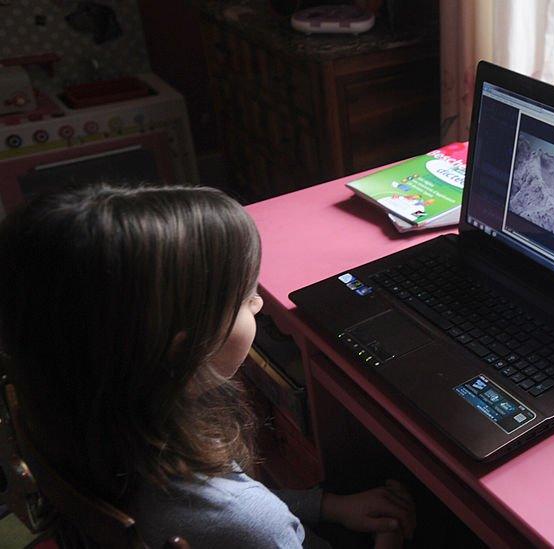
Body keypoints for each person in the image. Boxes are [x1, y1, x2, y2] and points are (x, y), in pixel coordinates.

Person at [0, 184, 416, 548]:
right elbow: (240, 518)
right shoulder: (247, 522)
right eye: (244, 299)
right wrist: (390, 537)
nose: (258, 303)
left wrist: (328, 506)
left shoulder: (67, 411)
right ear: (183, 352)